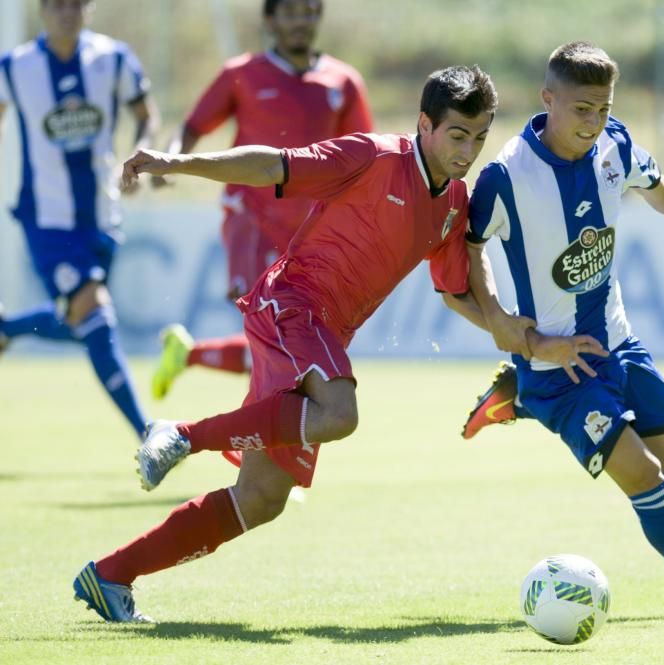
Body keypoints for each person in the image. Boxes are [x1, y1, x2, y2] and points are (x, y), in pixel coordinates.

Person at [72, 64, 532, 623]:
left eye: (480, 137)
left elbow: (457, 293)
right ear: (424, 125)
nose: (468, 151)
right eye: (458, 135)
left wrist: (521, 336)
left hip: (321, 333)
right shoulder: (374, 156)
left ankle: (110, 576)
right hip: (290, 303)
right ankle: (181, 436)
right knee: (339, 413)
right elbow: (273, 165)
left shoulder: (454, 202)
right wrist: (177, 161)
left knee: (262, 500)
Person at [460, 42, 664, 617]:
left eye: (603, 107)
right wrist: (507, 326)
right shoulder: (505, 178)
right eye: (581, 108)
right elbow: (469, 257)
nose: (593, 122)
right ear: (548, 99)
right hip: (559, 370)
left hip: (618, 345)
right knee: (642, 474)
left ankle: (515, 401)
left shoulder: (615, 144)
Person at [150, 0, 374, 401]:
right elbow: (192, 126)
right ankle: (257, 439)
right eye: (290, 12)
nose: (300, 22)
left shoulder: (343, 82)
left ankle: (190, 356)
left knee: (284, 345)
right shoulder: (242, 74)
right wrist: (170, 163)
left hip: (308, 231)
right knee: (274, 337)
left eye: (308, 12)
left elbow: (364, 158)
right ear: (270, 20)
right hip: (250, 219)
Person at [0, 0, 157, 439]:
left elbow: (146, 115)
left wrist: (143, 154)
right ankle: (150, 436)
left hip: (103, 215)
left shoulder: (114, 58)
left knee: (82, 323)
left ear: (89, 8)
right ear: (41, 10)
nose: (66, 12)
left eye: (75, 3)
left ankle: (6, 328)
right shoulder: (15, 66)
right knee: (95, 313)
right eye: (56, 4)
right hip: (46, 218)